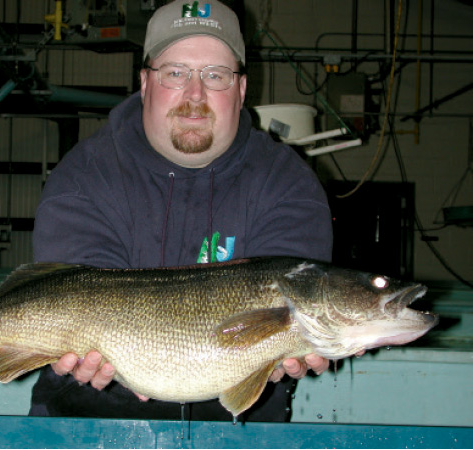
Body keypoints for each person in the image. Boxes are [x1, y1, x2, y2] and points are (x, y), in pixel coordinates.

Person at [30, 0, 332, 422]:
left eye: (216, 75)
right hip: (89, 409)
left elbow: (289, 306)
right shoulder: (84, 177)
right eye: (175, 73)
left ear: (242, 89)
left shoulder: (288, 184)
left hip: (238, 420)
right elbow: (77, 293)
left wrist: (289, 345)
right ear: (144, 82)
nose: (195, 95)